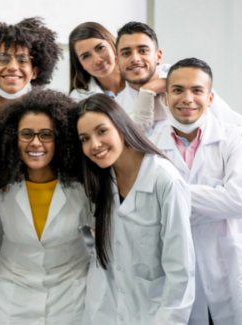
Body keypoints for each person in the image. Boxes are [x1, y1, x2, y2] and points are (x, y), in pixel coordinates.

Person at [148, 58, 242, 325]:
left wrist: (172, 196)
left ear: (210, 98)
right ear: (165, 98)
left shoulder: (235, 138)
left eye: (197, 90)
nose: (187, 98)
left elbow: (238, 201)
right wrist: (214, 197)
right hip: (179, 275)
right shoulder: (150, 147)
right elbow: (151, 210)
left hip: (232, 270)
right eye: (177, 90)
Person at [75, 93, 195, 324]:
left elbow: (180, 271)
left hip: (150, 315)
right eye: (84, 139)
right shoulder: (100, 179)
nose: (94, 145)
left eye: (101, 131)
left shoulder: (165, 181)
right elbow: (89, 236)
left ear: (121, 126)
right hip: (102, 312)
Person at [0, 89, 90, 323]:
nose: (35, 143)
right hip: (13, 294)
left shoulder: (82, 186)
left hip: (71, 293)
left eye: (46, 134)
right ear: (12, 137)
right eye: (26, 134)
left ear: (61, 137)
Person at [114, 21, 242, 160]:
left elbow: (238, 128)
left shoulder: (190, 81)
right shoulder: (115, 107)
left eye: (143, 51)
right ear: (117, 61)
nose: (135, 58)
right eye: (126, 53)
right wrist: (146, 92)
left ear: (158, 56)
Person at [0, 17, 62, 126]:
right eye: (3, 59)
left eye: (23, 60)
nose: (13, 67)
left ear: (35, 72)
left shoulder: (50, 116)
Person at [69, 22, 126, 102]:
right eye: (86, 56)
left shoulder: (142, 81)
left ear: (113, 44)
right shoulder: (77, 99)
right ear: (80, 64)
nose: (97, 60)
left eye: (100, 48)